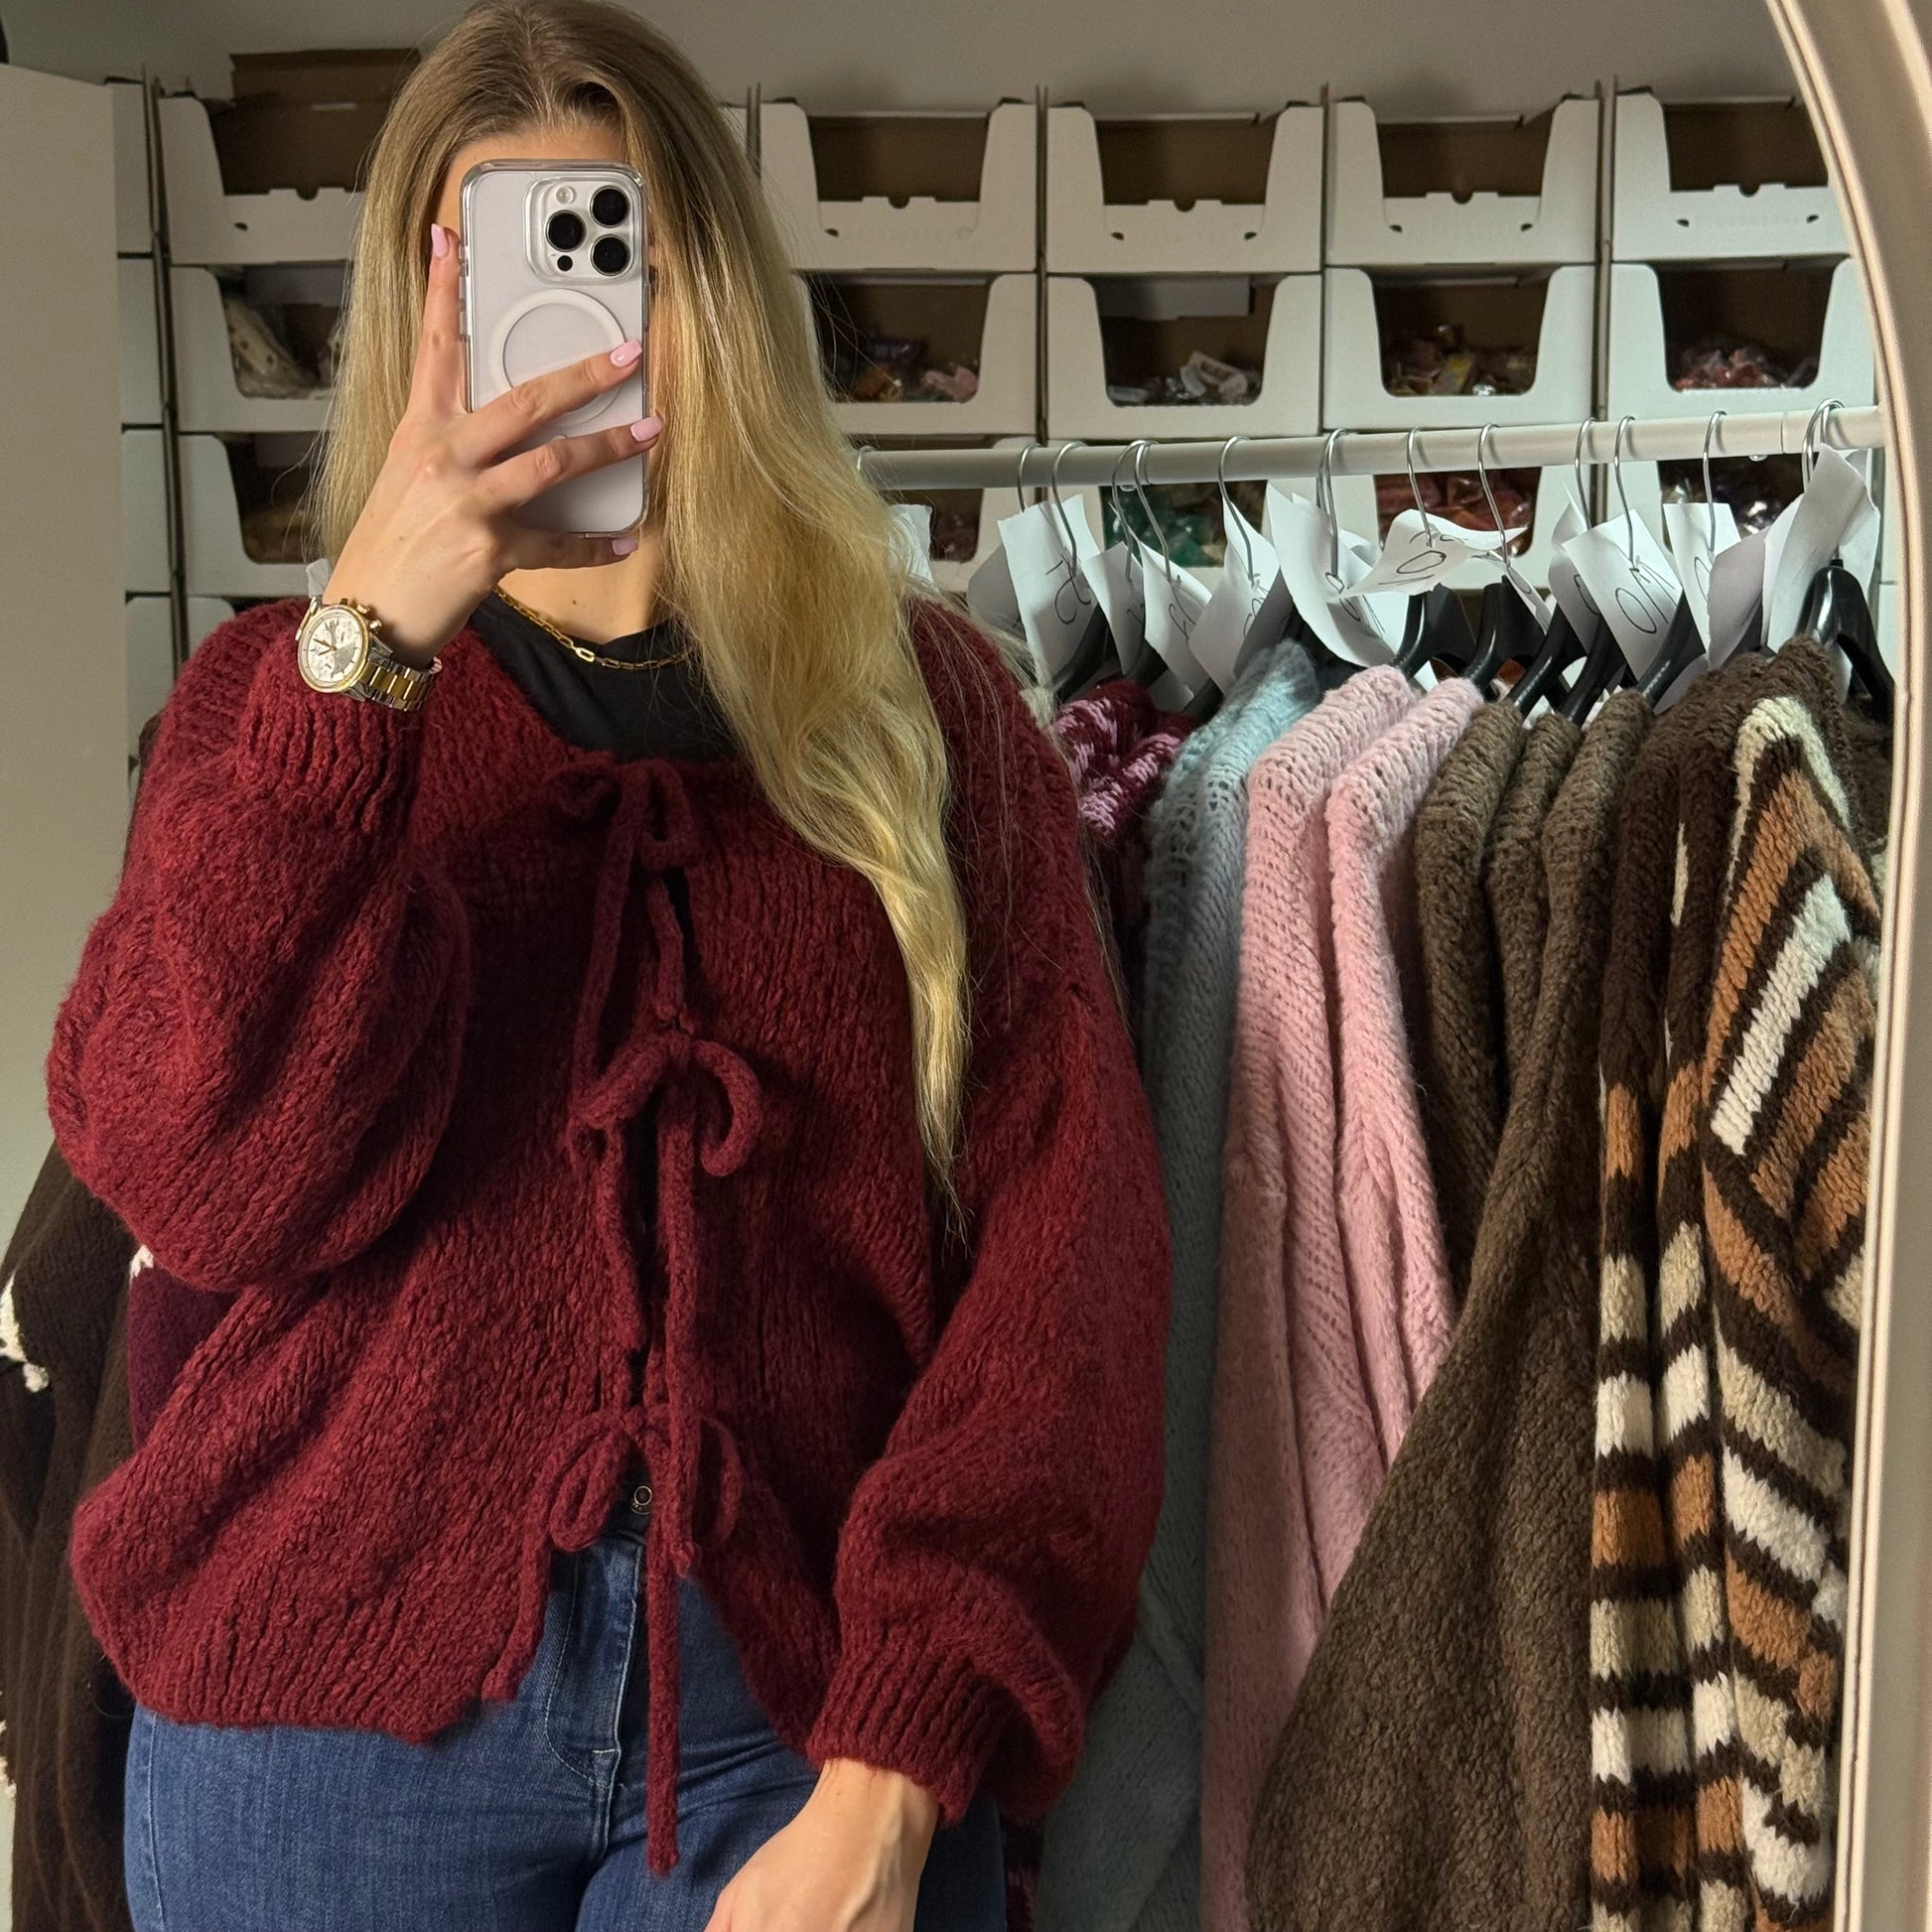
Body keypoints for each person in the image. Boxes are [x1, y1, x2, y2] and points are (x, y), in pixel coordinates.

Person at [43, 4, 1172, 1929]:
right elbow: (190, 1171)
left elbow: (1068, 1273)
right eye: (503, 276)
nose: (569, 329)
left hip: (797, 1736)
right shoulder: (272, 705)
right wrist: (362, 660)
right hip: (319, 1729)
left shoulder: (927, 714)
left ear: (712, 286)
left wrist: (896, 1776)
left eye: (616, 253)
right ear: (420, 311)